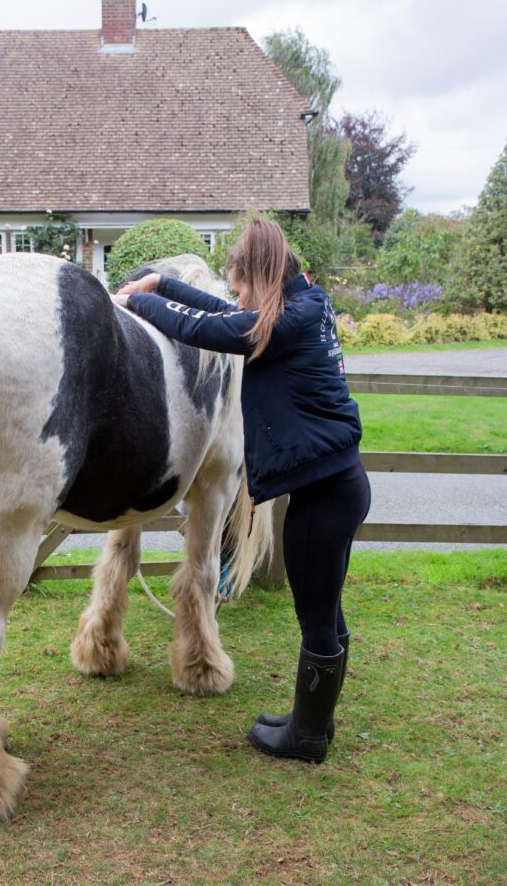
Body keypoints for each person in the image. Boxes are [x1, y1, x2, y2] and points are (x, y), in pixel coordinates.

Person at [114, 217, 371, 763]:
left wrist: (139, 306)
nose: (238, 297)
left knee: (318, 616)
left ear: (262, 275)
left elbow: (219, 331)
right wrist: (161, 285)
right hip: (338, 486)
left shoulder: (287, 323)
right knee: (326, 612)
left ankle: (305, 737)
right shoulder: (307, 304)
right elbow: (230, 315)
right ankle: (312, 723)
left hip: (324, 496)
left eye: (242, 285)